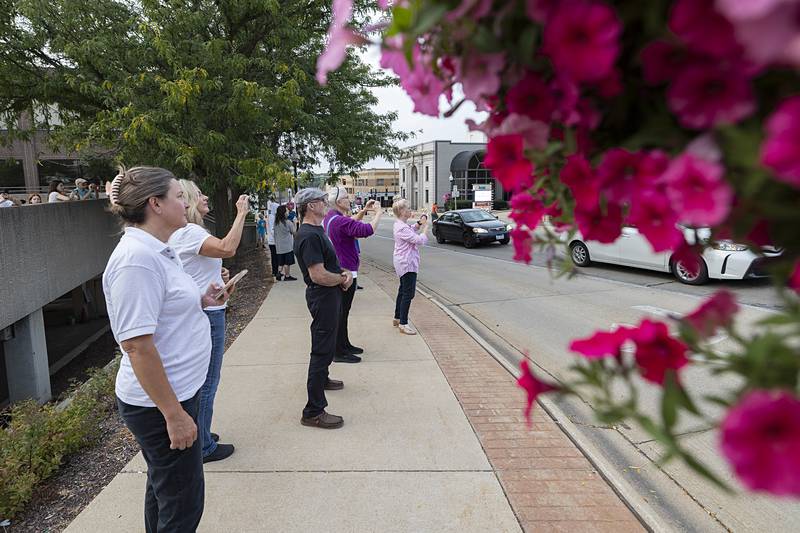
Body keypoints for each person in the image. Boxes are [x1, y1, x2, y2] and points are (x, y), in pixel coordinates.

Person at [103, 166, 229, 532]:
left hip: (176, 393)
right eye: (179, 196)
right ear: (155, 204)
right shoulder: (136, 261)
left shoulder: (159, 249)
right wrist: (174, 415)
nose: (185, 202)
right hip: (161, 403)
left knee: (165, 491)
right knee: (183, 503)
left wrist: (204, 300)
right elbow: (137, 347)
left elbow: (162, 312)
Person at [169, 179, 249, 464]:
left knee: (202, 381)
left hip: (205, 309)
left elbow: (201, 269)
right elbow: (228, 247)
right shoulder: (189, 232)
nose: (205, 197)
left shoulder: (186, 234)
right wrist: (241, 213)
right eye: (198, 194)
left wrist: (223, 279)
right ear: (188, 201)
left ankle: (201, 432)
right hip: (207, 315)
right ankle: (202, 445)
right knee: (207, 382)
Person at [293, 187, 352, 429]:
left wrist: (341, 273)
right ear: (311, 206)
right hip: (323, 296)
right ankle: (313, 411)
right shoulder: (308, 235)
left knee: (327, 345)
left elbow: (328, 265)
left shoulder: (317, 230)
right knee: (320, 350)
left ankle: (324, 379)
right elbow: (317, 275)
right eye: (321, 200)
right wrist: (341, 279)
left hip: (330, 296)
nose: (325, 203)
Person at [323, 187, 383, 363]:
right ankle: (338, 352)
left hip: (341, 269)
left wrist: (364, 211)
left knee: (344, 311)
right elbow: (367, 230)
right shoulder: (340, 222)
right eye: (347, 198)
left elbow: (351, 223)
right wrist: (378, 213)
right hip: (346, 273)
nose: (350, 201)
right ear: (339, 202)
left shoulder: (333, 218)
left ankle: (344, 344)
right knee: (341, 312)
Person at [392, 198, 428, 335]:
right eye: (407, 209)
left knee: (403, 290)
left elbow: (411, 230)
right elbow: (419, 240)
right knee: (408, 293)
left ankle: (397, 318)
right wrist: (425, 228)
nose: (410, 210)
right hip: (407, 263)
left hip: (404, 262)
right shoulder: (401, 227)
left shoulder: (400, 224)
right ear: (401, 211)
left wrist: (419, 223)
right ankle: (403, 323)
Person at [274, 204, 297, 281]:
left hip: (279, 246)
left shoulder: (276, 222)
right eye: (287, 211)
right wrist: (295, 223)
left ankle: (279, 273)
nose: (288, 212)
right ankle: (287, 276)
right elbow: (294, 232)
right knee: (287, 262)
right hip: (287, 246)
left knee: (281, 262)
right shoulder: (288, 222)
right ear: (284, 213)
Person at [266, 197, 281, 280]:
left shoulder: (272, 215)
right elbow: (272, 229)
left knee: (275, 256)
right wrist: (277, 236)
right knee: (275, 257)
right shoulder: (272, 217)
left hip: (273, 240)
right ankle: (275, 272)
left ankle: (275, 271)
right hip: (273, 241)